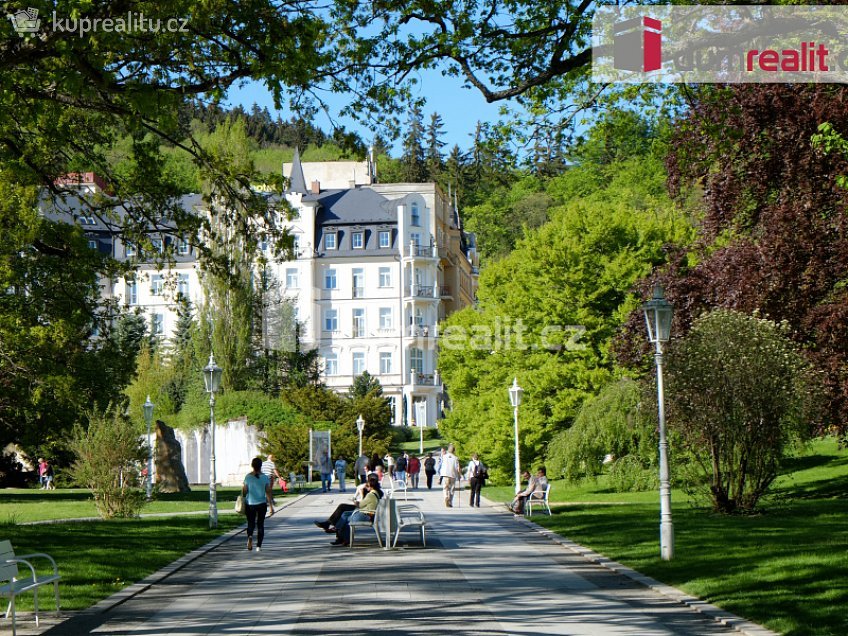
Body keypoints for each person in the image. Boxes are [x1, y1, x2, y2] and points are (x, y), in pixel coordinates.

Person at [331, 473, 383, 546]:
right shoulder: (376, 493)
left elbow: (360, 505)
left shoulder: (370, 495)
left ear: (370, 486)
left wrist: (357, 500)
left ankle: (339, 530)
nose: (366, 487)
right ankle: (339, 531)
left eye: (367, 485)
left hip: (366, 515)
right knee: (344, 514)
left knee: (344, 519)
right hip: (368, 513)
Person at [243, 457, 275, 552]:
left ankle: (250, 536)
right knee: (260, 524)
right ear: (261, 466)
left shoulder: (248, 477)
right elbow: (268, 493)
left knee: (250, 523)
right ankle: (258, 546)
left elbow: (244, 492)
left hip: (250, 504)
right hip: (261, 504)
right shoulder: (265, 477)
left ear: (252, 466)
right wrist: (271, 507)